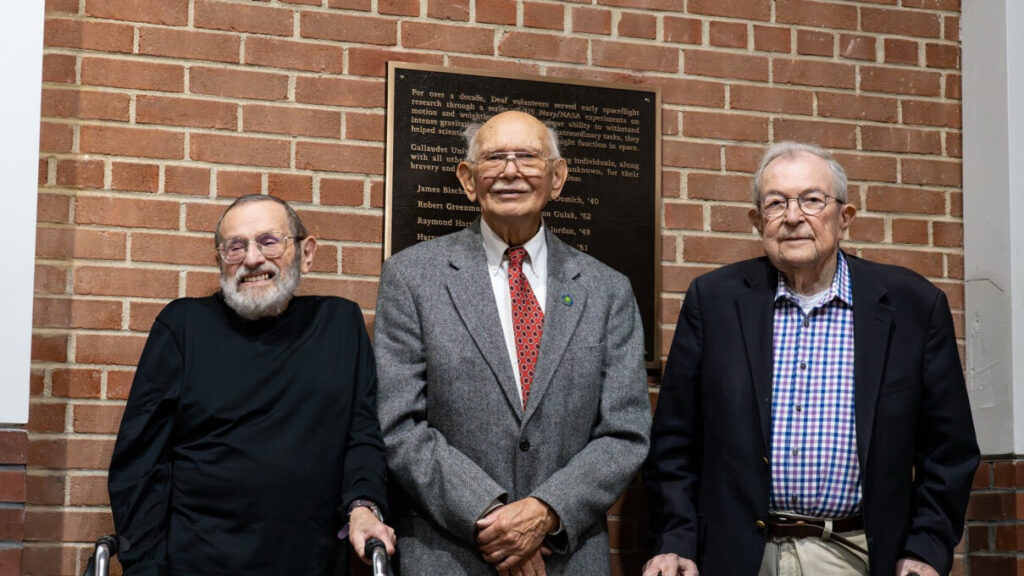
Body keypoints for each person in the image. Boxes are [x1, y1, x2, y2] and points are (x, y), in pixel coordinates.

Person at [643, 142, 979, 576]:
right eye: (775, 203)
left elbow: (948, 451)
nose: (794, 216)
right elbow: (674, 443)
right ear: (756, 220)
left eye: (812, 200)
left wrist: (926, 548)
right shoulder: (713, 302)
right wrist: (674, 541)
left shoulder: (913, 306)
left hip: (857, 553)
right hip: (734, 555)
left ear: (845, 217)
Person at [374, 110, 651, 575]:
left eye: (527, 157)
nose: (510, 171)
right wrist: (493, 519)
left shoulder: (608, 291)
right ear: (467, 179)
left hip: (564, 556)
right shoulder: (412, 278)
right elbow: (398, 423)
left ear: (557, 177)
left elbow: (626, 432)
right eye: (494, 158)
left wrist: (544, 513)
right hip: (451, 555)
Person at [108, 194, 395, 575]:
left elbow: (362, 437)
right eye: (235, 246)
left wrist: (364, 507)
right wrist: (146, 568)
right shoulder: (182, 328)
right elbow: (140, 466)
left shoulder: (340, 324)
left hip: (311, 563)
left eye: (269, 241)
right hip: (198, 565)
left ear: (307, 253)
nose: (253, 259)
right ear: (219, 261)